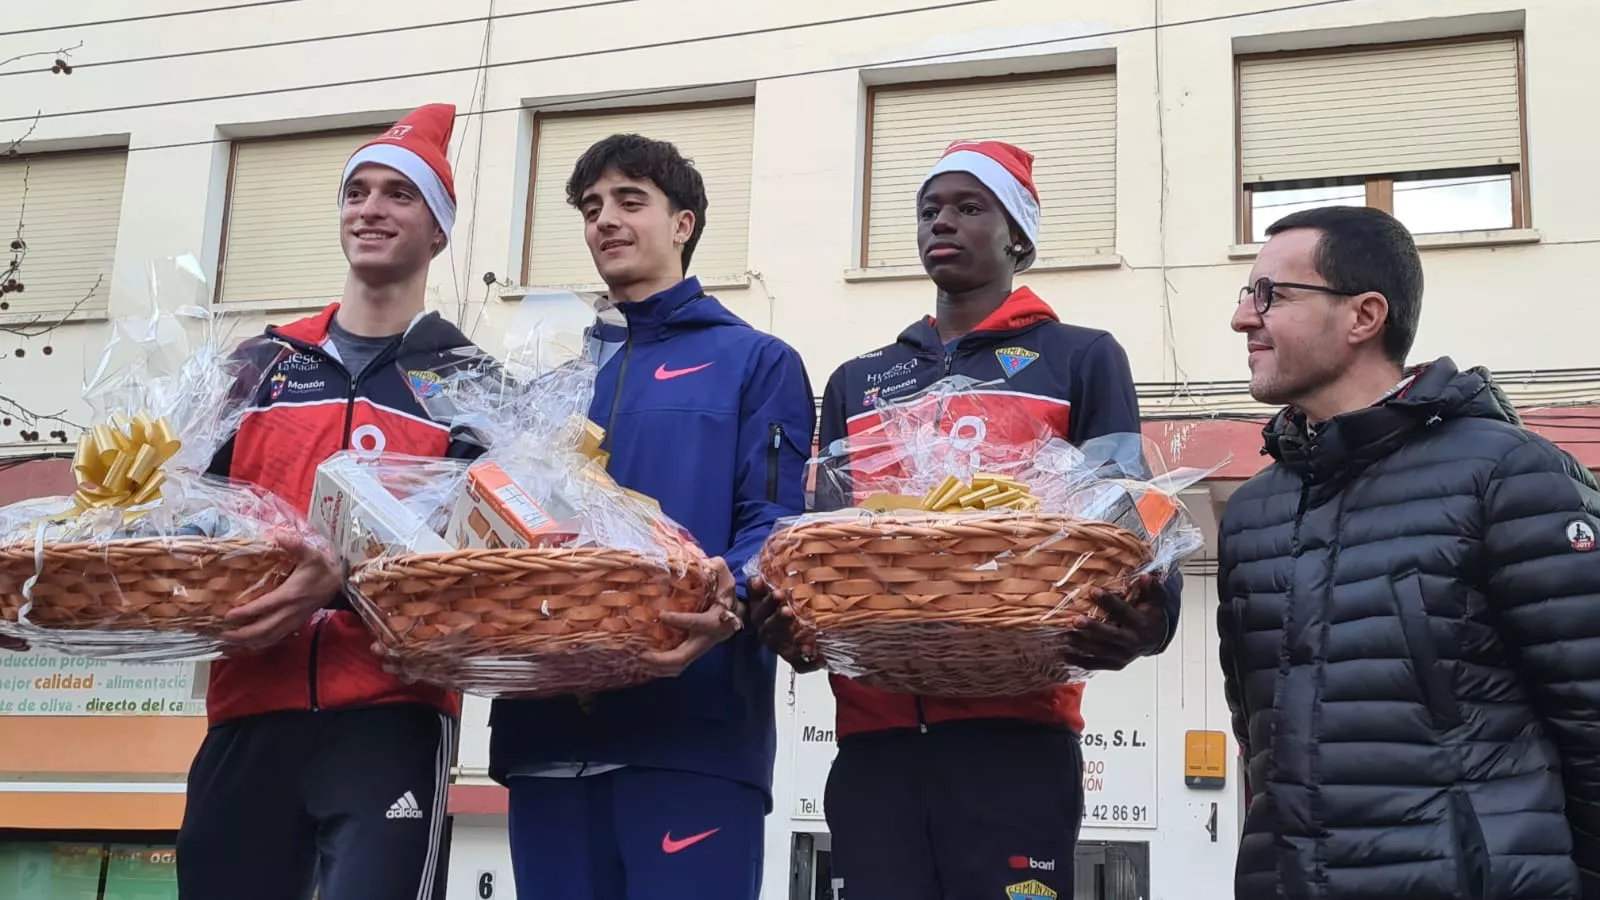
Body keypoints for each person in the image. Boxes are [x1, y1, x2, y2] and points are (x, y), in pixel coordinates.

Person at [752, 140, 1179, 900]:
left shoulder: (1080, 357)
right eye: (929, 209)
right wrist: (796, 629)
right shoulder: (859, 379)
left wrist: (1155, 614)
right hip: (873, 735)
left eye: (969, 206)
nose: (941, 221)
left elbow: (1131, 516)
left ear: (1017, 232)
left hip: (1020, 731)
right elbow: (829, 541)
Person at [1216, 205, 1600, 900]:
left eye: (1271, 294)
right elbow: (1258, 745)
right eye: (1246, 295)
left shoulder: (1507, 475)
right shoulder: (1253, 512)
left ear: (1364, 316)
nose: (1245, 318)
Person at [176, 103, 492, 900]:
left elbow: (482, 565)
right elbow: (181, 520)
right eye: (357, 192)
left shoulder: (473, 386)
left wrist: (345, 579)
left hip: (391, 713)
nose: (371, 210)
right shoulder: (259, 366)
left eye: (399, 195)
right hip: (248, 705)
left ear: (438, 229)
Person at [487, 133, 815, 900]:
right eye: (593, 207)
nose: (607, 220)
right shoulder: (547, 390)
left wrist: (722, 590)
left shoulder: (758, 361)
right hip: (545, 734)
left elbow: (774, 523)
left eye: (631, 201)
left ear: (684, 224)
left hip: (693, 731)